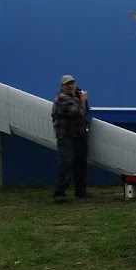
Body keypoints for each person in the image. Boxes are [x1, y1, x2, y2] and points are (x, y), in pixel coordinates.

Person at [51, 74, 90, 202]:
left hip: (79, 135)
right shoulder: (61, 98)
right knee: (66, 163)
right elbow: (79, 112)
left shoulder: (74, 97)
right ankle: (59, 192)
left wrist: (82, 101)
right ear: (62, 86)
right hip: (66, 136)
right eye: (68, 84)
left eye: (73, 83)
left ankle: (80, 190)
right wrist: (83, 100)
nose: (71, 86)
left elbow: (85, 110)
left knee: (80, 163)